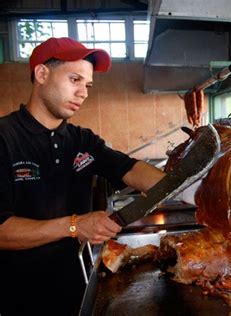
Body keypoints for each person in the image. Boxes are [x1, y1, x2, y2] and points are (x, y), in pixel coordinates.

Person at [0, 37, 166, 315]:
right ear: (42, 74)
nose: (83, 93)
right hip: (20, 296)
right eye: (75, 79)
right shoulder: (5, 139)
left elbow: (130, 168)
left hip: (81, 285)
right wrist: (74, 225)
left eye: (87, 85)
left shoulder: (81, 140)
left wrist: (189, 188)